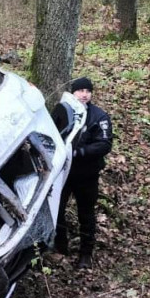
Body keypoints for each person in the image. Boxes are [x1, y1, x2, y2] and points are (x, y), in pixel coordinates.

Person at [54, 76, 113, 269]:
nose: (84, 95)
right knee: (58, 210)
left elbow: (104, 144)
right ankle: (60, 249)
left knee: (86, 214)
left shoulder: (99, 116)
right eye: (80, 91)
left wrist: (79, 152)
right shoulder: (64, 111)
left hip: (87, 174)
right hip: (64, 174)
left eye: (88, 91)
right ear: (73, 92)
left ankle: (85, 255)